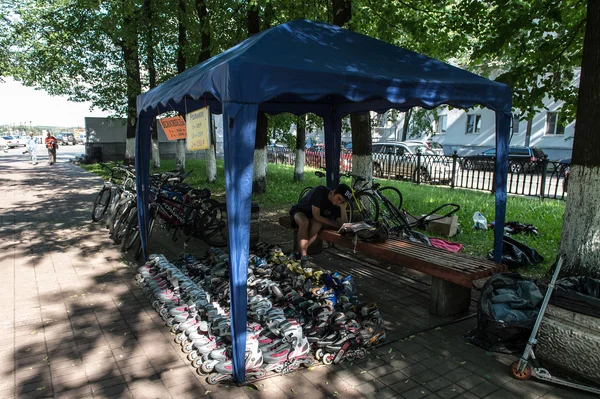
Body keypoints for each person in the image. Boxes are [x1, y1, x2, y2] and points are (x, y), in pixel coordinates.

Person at [290, 183, 352, 267]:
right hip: (300, 211)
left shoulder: (338, 205)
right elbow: (316, 215)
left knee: (318, 225)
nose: (340, 202)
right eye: (339, 198)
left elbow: (344, 225)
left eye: (343, 202)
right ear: (333, 192)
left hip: (313, 218)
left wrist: (342, 208)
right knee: (304, 222)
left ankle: (299, 252)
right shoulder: (321, 191)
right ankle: (304, 256)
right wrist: (333, 223)